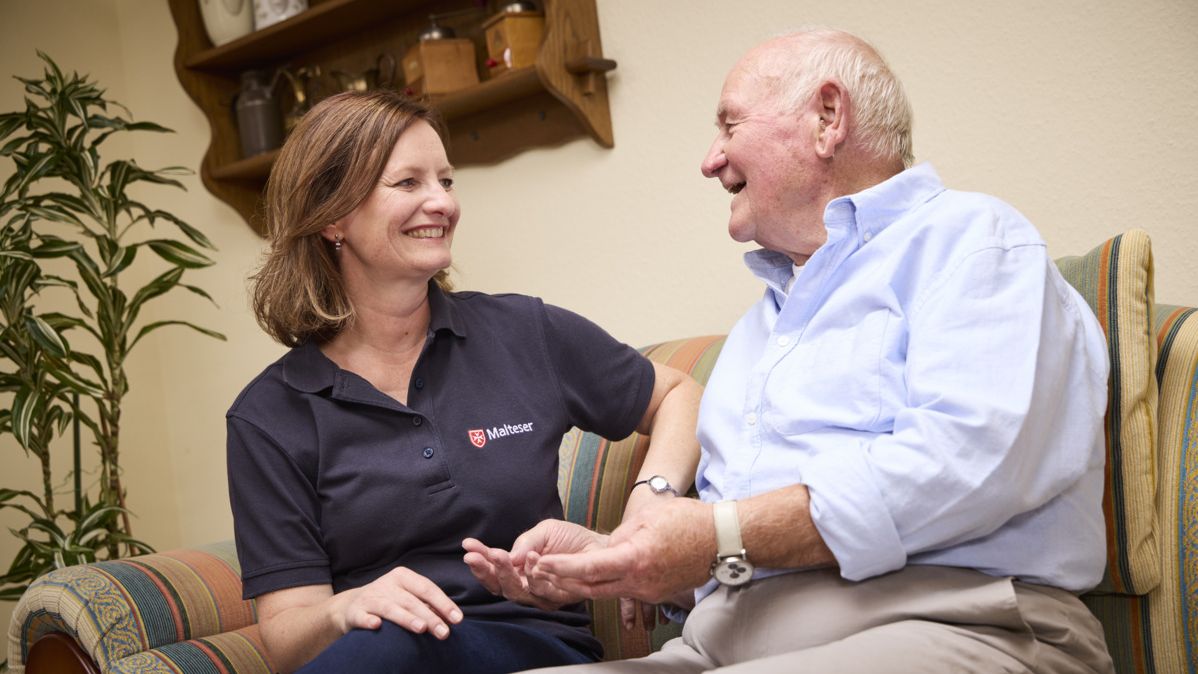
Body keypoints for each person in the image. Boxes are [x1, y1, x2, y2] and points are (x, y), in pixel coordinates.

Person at [470, 28, 1117, 673]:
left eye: (729, 125)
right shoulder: (763, 326)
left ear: (827, 119)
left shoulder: (973, 242)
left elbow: (966, 463)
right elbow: (731, 555)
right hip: (716, 648)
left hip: (962, 628)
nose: (709, 160)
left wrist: (718, 533)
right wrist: (617, 563)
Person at [225, 90, 702, 674]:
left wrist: (648, 509)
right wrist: (349, 607)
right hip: (380, 655)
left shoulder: (524, 331)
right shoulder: (269, 417)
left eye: (446, 181)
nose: (442, 203)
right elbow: (286, 634)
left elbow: (681, 395)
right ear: (332, 216)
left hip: (535, 649)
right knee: (391, 639)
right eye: (408, 183)